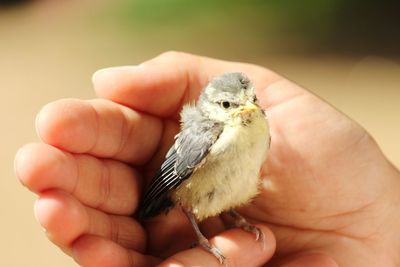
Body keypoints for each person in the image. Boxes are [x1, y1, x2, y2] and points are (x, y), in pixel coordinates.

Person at [15, 51, 400, 267]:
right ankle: (201, 236)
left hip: (235, 196)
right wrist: (200, 239)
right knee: (189, 208)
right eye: (232, 105)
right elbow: (173, 179)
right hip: (192, 196)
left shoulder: (260, 124)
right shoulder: (207, 133)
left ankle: (232, 219)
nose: (246, 110)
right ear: (216, 106)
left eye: (251, 101)